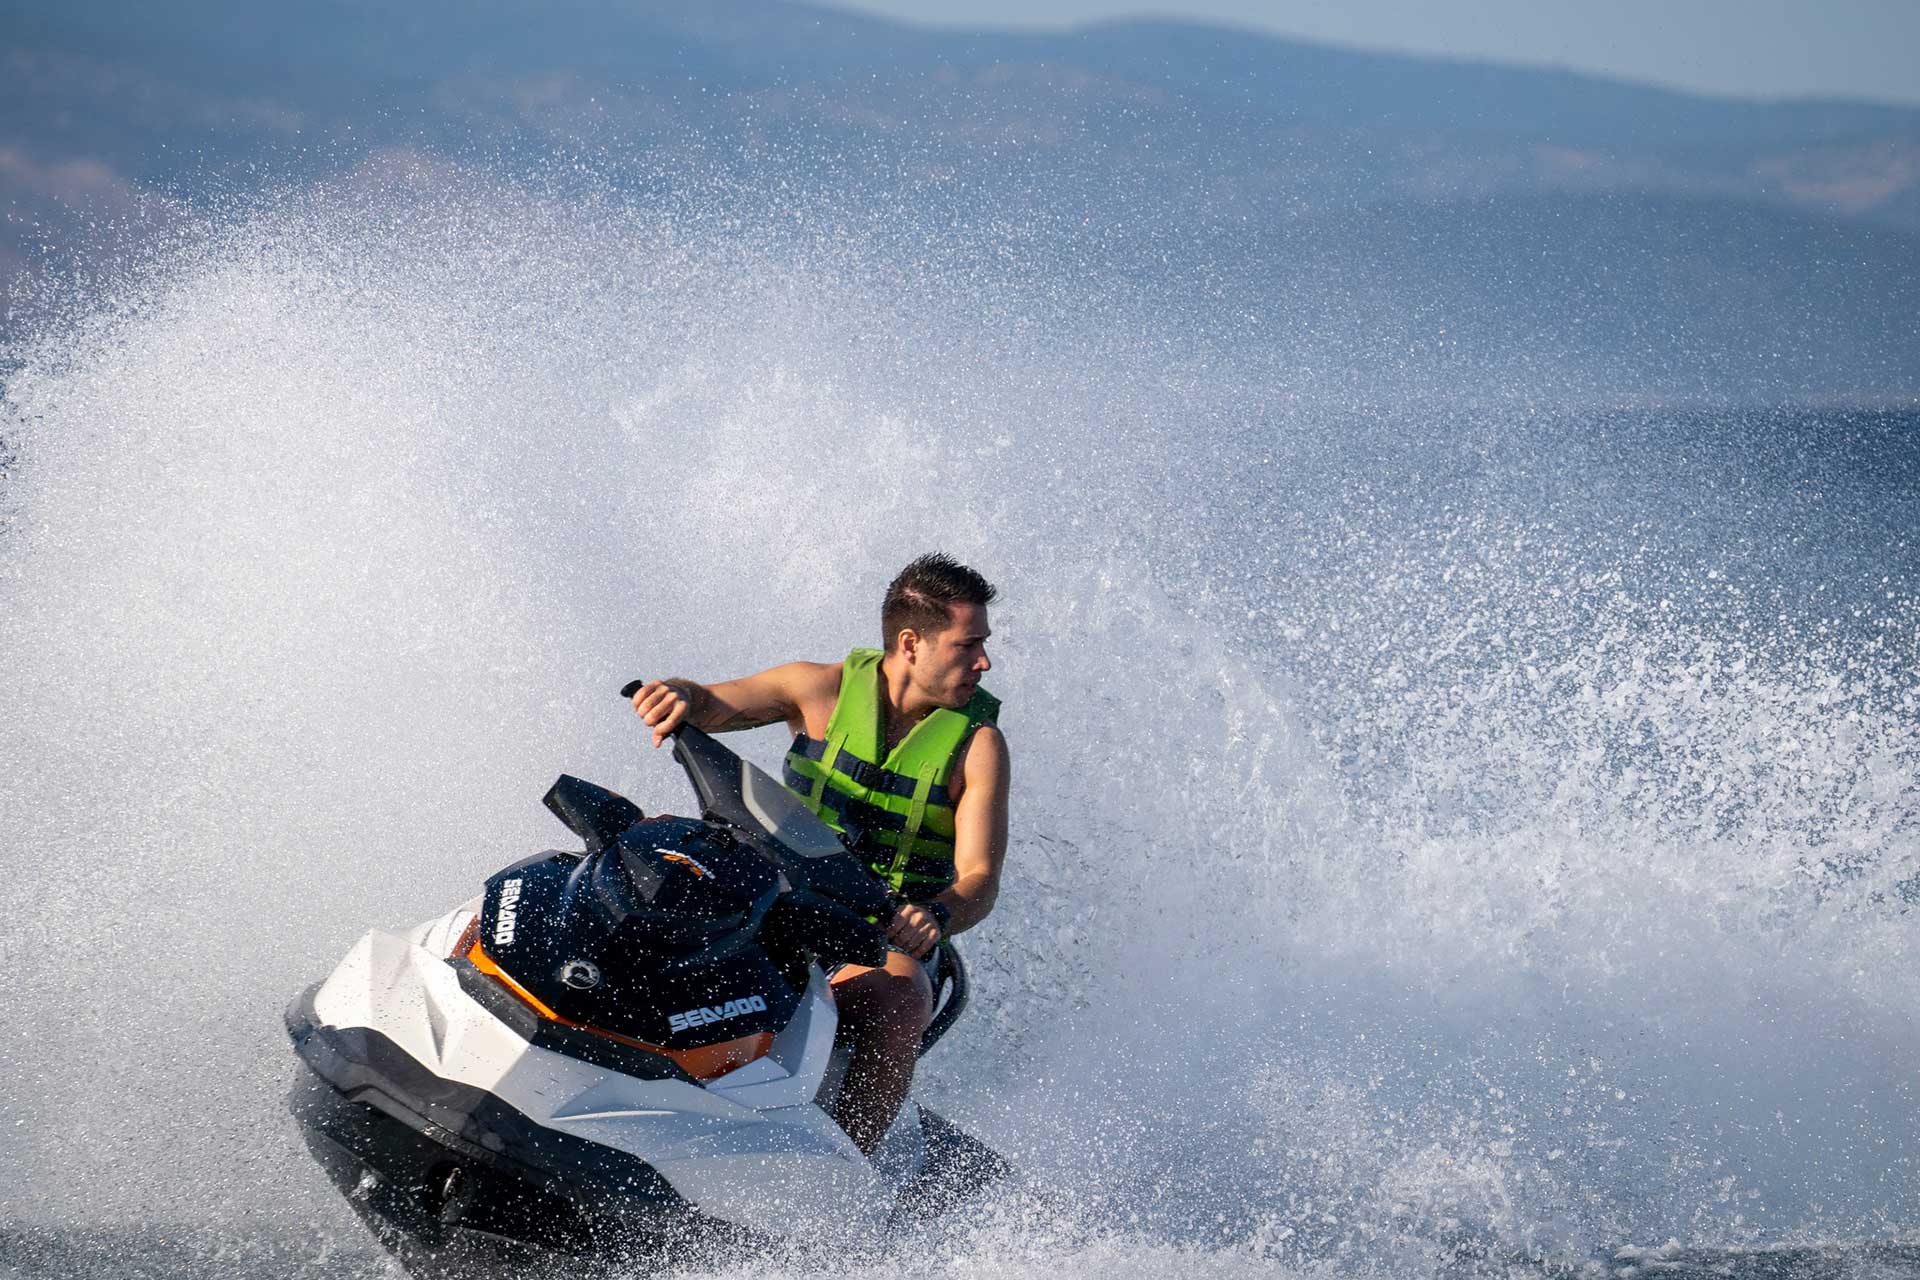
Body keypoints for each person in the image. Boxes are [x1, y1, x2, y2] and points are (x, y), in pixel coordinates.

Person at [629, 553, 1009, 1156]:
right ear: (911, 643)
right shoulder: (817, 688)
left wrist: (933, 916)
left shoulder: (978, 746)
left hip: (884, 932)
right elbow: (712, 704)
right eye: (968, 645)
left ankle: (843, 1174)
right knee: (654, 866)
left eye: (982, 645)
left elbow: (980, 879)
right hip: (778, 898)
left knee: (900, 995)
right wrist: (677, 693)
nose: (983, 662)